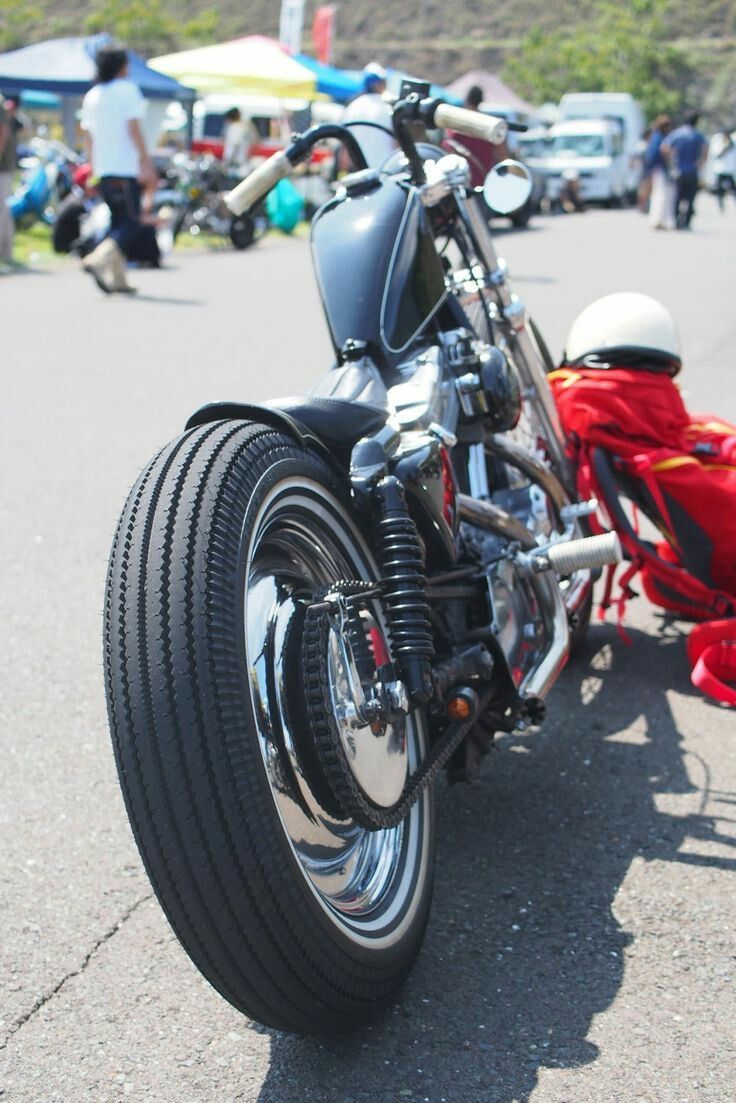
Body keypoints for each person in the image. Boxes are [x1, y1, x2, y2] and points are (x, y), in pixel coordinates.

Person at [79, 45, 158, 293]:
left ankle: (118, 278)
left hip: (103, 169)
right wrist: (146, 162)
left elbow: (89, 139)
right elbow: (134, 130)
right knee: (132, 222)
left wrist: (92, 170)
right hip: (125, 168)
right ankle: (99, 258)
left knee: (118, 221)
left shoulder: (93, 95)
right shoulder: (127, 90)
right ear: (121, 65)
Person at [445, 85, 509, 189]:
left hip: (461, 185)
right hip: (484, 184)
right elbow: (503, 155)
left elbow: (448, 152)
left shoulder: (456, 125)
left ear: (466, 100)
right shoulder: (490, 125)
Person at [341, 62, 397, 170]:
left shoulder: (352, 107)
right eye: (384, 81)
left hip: (359, 171)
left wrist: (342, 172)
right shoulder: (389, 106)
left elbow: (344, 149)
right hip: (386, 169)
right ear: (377, 84)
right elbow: (397, 143)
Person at [663, 110, 707, 230]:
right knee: (690, 198)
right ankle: (687, 222)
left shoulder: (677, 134)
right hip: (692, 171)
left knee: (677, 197)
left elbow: (664, 148)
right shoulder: (698, 135)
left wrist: (672, 158)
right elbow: (705, 151)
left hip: (678, 170)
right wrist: (700, 163)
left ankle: (676, 221)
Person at [645, 114, 675, 230]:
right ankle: (658, 220)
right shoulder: (659, 138)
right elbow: (659, 153)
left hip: (657, 169)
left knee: (658, 194)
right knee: (661, 195)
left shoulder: (656, 136)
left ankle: (657, 219)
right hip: (660, 169)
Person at [0, 96, 17, 266]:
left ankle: (5, 253)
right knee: (4, 209)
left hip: (3, 166)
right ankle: (6, 254)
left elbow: (3, 131)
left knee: (1, 208)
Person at [710, 129, 736, 211]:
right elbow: (716, 155)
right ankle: (720, 205)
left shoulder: (733, 143)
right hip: (720, 170)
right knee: (719, 189)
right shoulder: (719, 143)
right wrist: (725, 148)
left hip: (729, 170)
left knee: (733, 189)